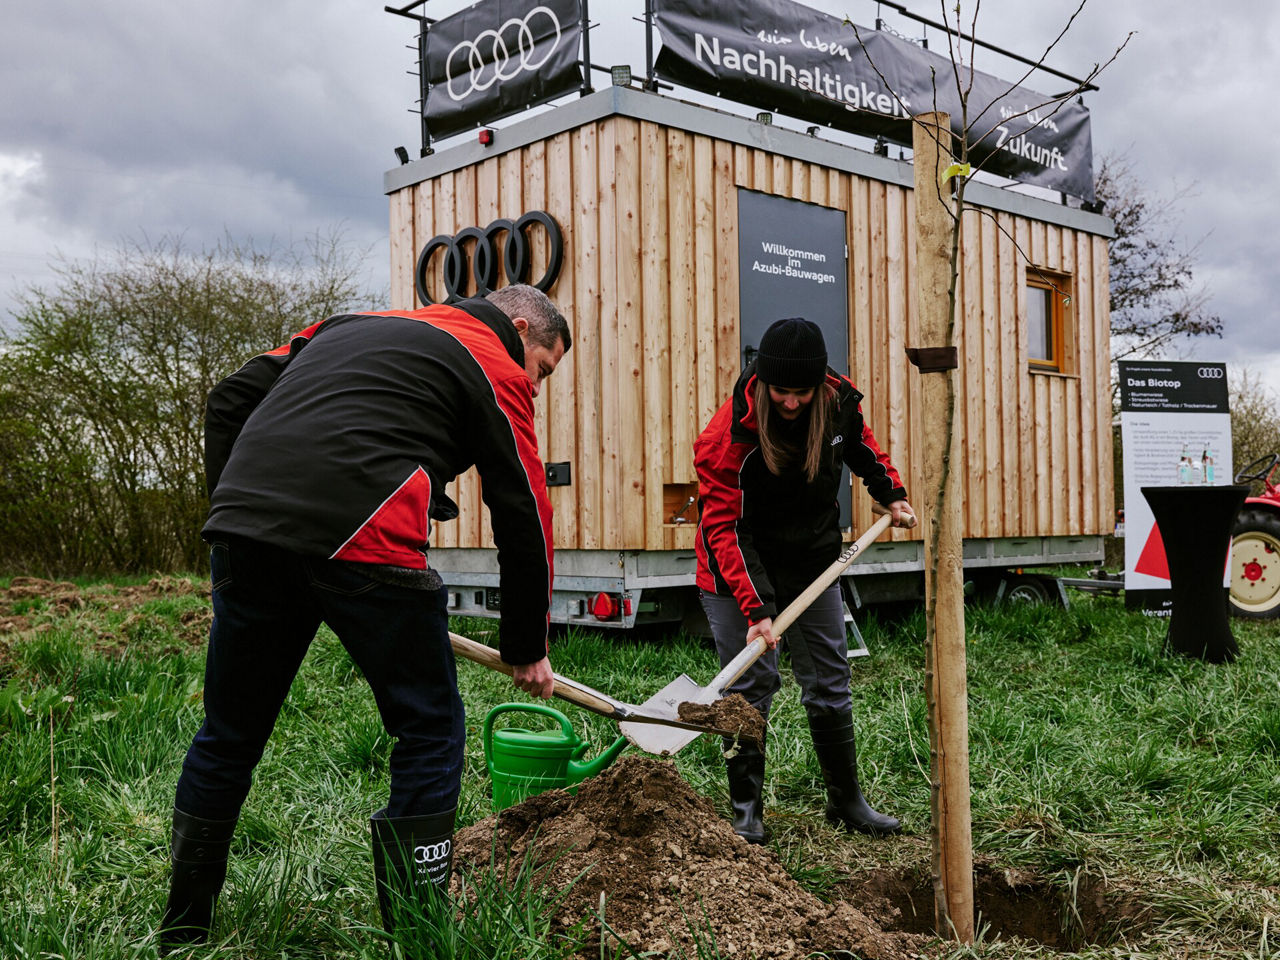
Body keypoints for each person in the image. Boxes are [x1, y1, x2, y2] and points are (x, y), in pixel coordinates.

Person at [160, 284, 569, 948]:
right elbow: (524, 509)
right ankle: (418, 934)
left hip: (246, 530)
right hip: (365, 541)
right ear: (520, 327)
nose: (536, 385)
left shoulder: (349, 324)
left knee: (228, 735)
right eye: (543, 368)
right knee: (429, 732)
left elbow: (229, 399)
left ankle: (183, 933)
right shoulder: (491, 360)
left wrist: (240, 513)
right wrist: (527, 643)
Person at [693, 317, 914, 844]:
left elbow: (861, 447)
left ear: (819, 385)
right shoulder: (728, 437)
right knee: (750, 686)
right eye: (781, 391)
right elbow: (723, 527)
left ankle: (846, 800)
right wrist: (757, 608)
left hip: (813, 564)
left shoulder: (838, 404)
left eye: (802, 392)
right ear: (764, 382)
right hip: (737, 571)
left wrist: (891, 491)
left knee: (830, 681)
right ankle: (746, 810)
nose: (791, 403)